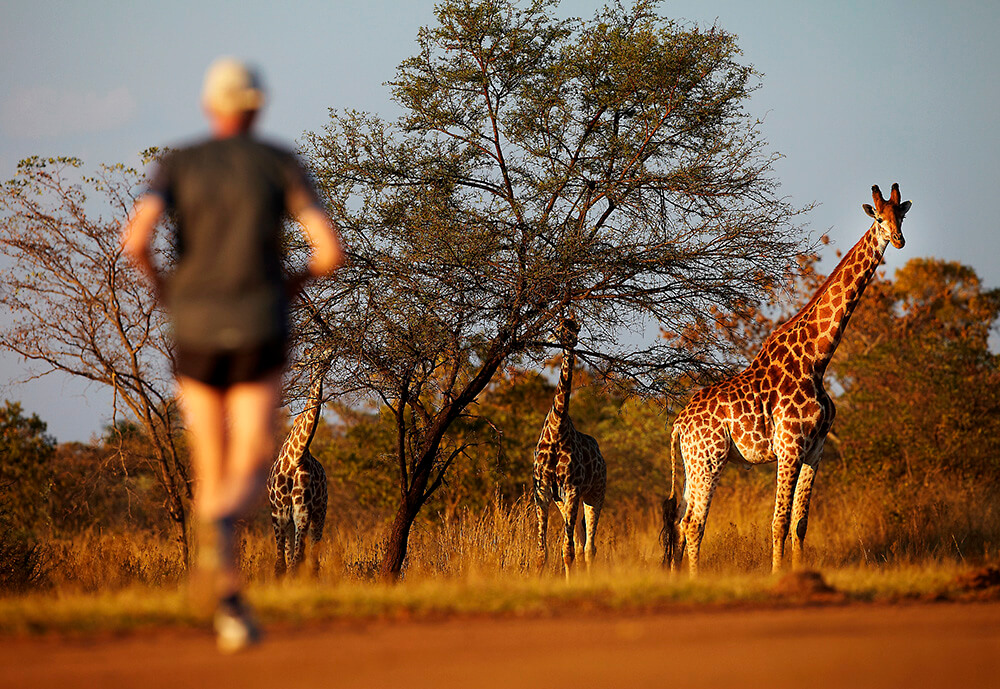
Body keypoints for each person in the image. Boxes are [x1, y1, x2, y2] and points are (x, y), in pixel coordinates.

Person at [121, 57, 345, 652]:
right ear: (257, 106)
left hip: (193, 325)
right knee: (254, 453)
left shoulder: (176, 162)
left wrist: (167, 288)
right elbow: (328, 251)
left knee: (209, 462)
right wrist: (291, 287)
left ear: (209, 106)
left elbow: (136, 240)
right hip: (258, 324)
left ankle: (227, 600)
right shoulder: (280, 162)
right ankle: (224, 530)